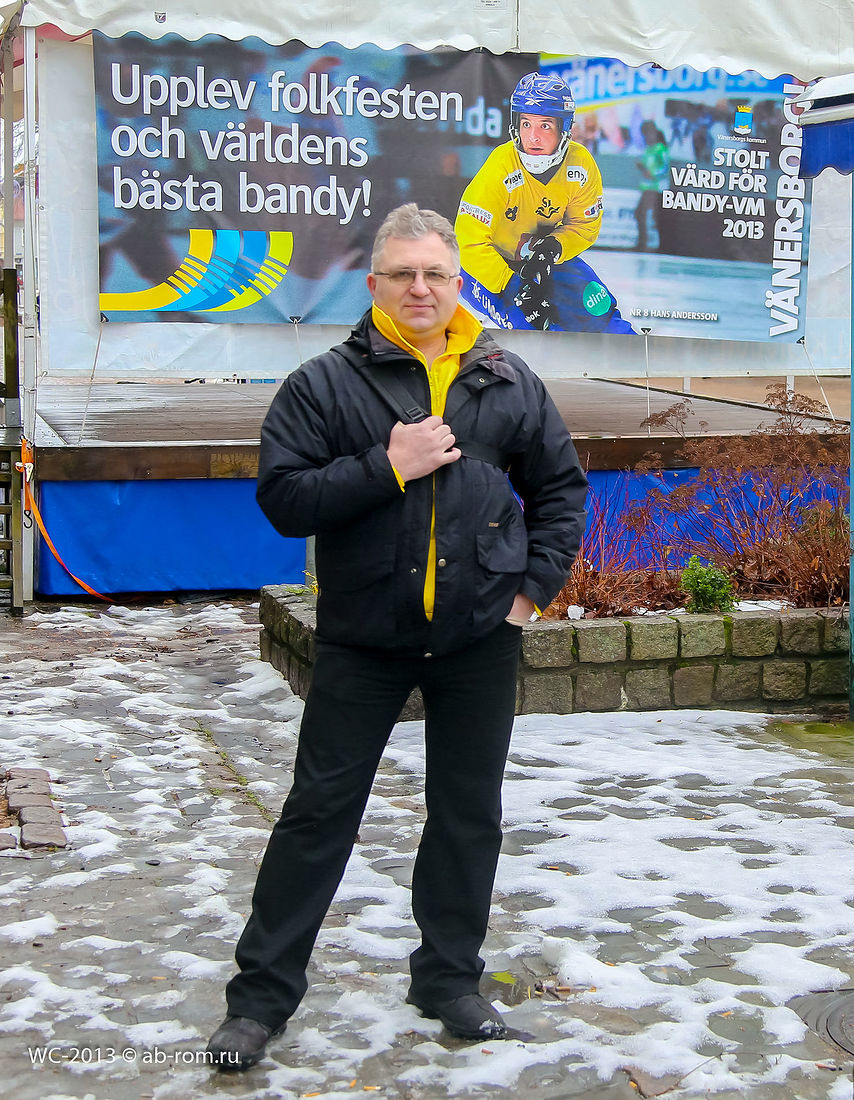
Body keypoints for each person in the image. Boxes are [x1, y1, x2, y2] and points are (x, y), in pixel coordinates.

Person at [206, 203, 588, 1071]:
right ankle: (259, 1000)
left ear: (458, 283)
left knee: (467, 816)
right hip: (364, 639)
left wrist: (528, 595)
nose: (421, 288)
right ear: (374, 284)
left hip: (479, 639)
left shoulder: (507, 380)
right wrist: (388, 466)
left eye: (436, 274)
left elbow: (561, 492)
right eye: (403, 274)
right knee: (317, 815)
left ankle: (449, 982)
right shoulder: (323, 385)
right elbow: (283, 500)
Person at [455, 72, 634, 334]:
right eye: (526, 124)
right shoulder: (501, 166)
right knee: (535, 329)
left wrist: (553, 248)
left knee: (601, 313)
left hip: (542, 260)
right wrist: (513, 286)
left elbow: (583, 225)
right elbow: (469, 242)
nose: (533, 137)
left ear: (564, 128)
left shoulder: (580, 164)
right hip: (489, 271)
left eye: (545, 126)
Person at [634, 121, 670, 252]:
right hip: (647, 187)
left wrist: (653, 174)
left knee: (646, 214)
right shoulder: (648, 149)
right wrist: (642, 167)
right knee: (641, 214)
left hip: (655, 188)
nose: (647, 137)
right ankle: (643, 243)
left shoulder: (660, 149)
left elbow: (665, 167)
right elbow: (647, 168)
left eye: (648, 134)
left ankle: (648, 244)